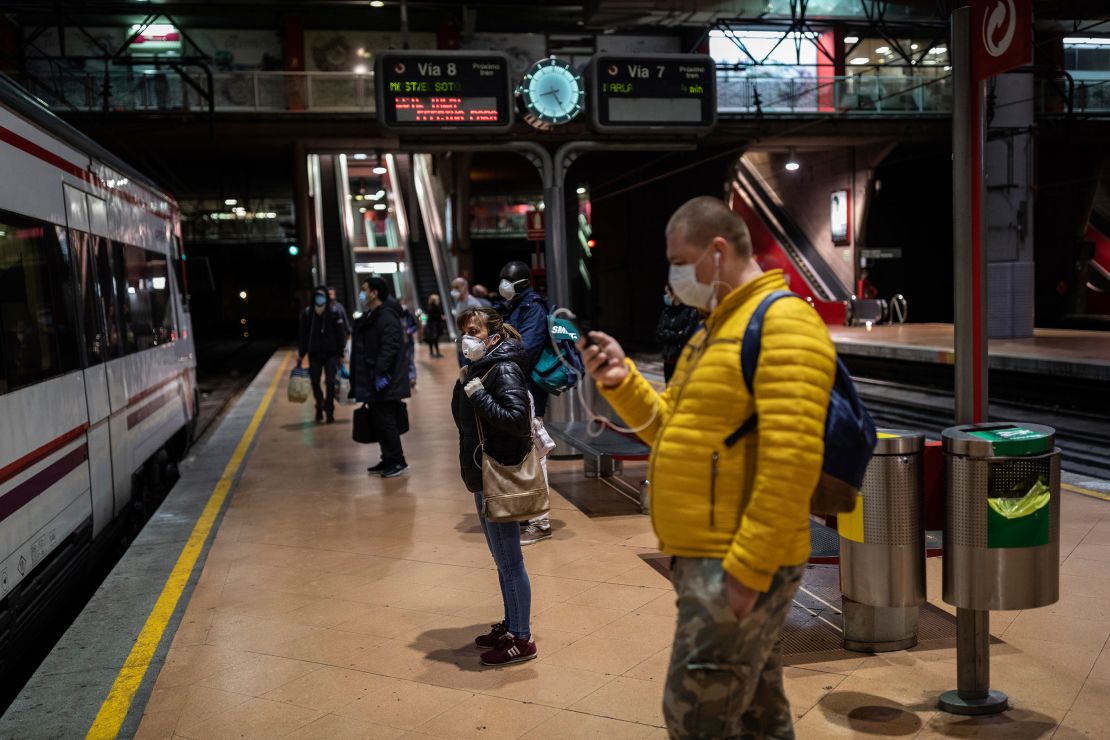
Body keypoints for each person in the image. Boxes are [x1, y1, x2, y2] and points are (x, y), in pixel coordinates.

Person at [578, 196, 837, 739]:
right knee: (759, 715)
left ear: (717, 252)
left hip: (736, 562)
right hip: (708, 554)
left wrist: (745, 571)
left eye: (679, 260)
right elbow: (670, 426)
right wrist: (622, 381)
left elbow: (793, 462)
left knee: (695, 715)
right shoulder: (715, 329)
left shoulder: (784, 324)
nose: (674, 276)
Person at [451, 307, 537, 666]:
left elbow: (517, 420)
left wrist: (476, 393)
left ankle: (522, 638)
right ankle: (511, 624)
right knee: (502, 561)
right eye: (464, 331)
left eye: (474, 330)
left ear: (494, 336)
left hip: (496, 471)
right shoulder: (481, 367)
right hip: (482, 472)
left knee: (510, 561)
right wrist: (469, 385)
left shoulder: (502, 368)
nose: (467, 337)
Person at [496, 260, 552, 545]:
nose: (502, 284)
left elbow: (525, 350)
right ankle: (527, 512)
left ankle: (540, 522)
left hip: (529, 391)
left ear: (522, 283)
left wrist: (496, 356)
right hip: (512, 388)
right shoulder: (509, 307)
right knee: (522, 452)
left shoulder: (533, 309)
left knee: (536, 454)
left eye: (508, 279)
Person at [351, 277, 411, 478]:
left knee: (386, 421)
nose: (362, 293)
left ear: (374, 293)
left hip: (386, 380)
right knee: (379, 419)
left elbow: (390, 346)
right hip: (374, 378)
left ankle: (398, 460)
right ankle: (387, 458)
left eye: (364, 289)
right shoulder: (373, 315)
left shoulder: (386, 316)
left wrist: (380, 372)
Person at [297, 285, 348, 424]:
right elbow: (303, 335)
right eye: (317, 296)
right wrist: (301, 353)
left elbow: (340, 334)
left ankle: (329, 410)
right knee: (315, 381)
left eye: (322, 296)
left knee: (330, 383)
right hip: (314, 354)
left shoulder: (334, 312)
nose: (320, 299)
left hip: (331, 354)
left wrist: (341, 351)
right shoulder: (308, 314)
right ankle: (319, 405)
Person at [655, 283, 701, 384]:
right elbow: (659, 334)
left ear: (675, 293)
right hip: (668, 359)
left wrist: (667, 333)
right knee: (669, 389)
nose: (665, 296)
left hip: (683, 360)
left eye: (667, 293)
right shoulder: (666, 312)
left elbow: (685, 336)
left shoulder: (691, 312)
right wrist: (677, 334)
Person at [399, 297, 419, 388]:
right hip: (400, 343)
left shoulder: (409, 315)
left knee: (410, 360)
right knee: (403, 361)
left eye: (404, 303)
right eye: (401, 303)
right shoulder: (395, 315)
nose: (403, 305)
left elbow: (415, 326)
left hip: (409, 342)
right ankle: (406, 378)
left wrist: (410, 330)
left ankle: (412, 378)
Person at [423, 293, 446, 358]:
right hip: (434, 326)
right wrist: (441, 317)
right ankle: (437, 353)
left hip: (431, 325)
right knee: (435, 339)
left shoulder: (429, 306)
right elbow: (433, 316)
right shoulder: (434, 307)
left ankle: (432, 353)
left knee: (432, 340)